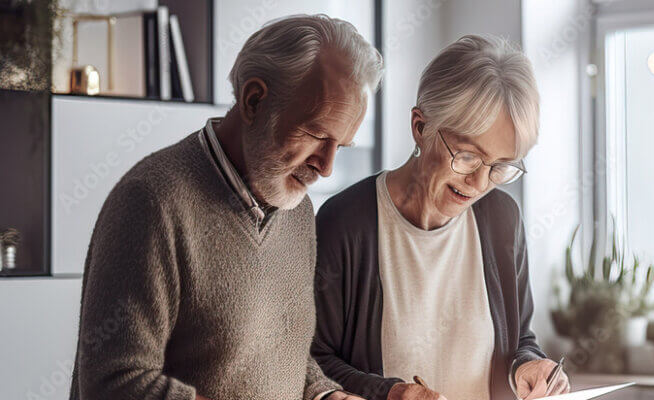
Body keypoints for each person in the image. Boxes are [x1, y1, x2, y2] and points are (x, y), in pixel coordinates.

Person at [69, 14, 382, 400]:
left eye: (341, 145)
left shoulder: (298, 211)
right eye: (316, 134)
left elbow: (282, 355)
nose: (327, 165)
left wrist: (324, 394)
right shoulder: (152, 201)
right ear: (254, 100)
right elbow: (113, 382)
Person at [311, 35, 570, 400]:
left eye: (500, 166)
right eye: (466, 156)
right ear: (420, 127)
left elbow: (520, 338)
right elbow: (313, 363)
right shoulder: (346, 223)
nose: (480, 182)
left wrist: (527, 365)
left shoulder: (502, 220)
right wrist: (391, 394)